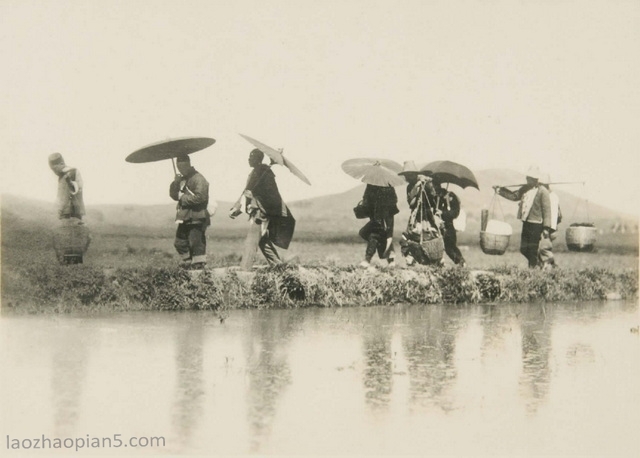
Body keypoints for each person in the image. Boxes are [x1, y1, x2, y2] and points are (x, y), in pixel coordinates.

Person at [229, 148, 295, 266]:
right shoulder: (257, 172)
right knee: (262, 240)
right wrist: (236, 209)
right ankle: (278, 264)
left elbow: (270, 195)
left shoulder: (265, 174)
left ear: (257, 159)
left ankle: (245, 269)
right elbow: (246, 193)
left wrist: (254, 197)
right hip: (257, 211)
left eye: (251, 157)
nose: (249, 159)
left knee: (252, 241)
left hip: (261, 213)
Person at [494, 165, 552, 268]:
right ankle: (539, 263)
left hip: (536, 224)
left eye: (529, 178)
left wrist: (546, 228)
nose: (527, 179)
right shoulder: (525, 189)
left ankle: (532, 270)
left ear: (535, 179)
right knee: (524, 249)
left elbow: (547, 210)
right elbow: (514, 196)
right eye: (527, 177)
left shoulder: (543, 191)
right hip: (526, 222)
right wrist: (500, 190)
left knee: (532, 249)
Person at [169, 154, 214, 269]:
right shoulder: (182, 179)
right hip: (185, 217)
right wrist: (175, 183)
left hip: (197, 216)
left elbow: (201, 197)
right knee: (180, 243)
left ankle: (199, 269)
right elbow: (174, 196)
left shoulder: (198, 178)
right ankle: (188, 264)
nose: (180, 169)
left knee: (196, 244)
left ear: (188, 164)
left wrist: (182, 197)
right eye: (179, 167)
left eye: (183, 166)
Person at [397, 161, 439, 266]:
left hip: (427, 216)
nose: (406, 177)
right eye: (406, 175)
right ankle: (411, 260)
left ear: (414, 174)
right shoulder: (410, 187)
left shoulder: (427, 183)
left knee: (429, 238)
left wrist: (427, 184)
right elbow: (411, 203)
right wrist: (416, 187)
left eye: (408, 175)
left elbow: (433, 198)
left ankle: (433, 261)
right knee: (407, 238)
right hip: (416, 215)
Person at [358, 183, 399, 268]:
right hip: (379, 215)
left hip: (384, 216)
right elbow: (394, 200)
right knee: (382, 235)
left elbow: (393, 201)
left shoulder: (374, 184)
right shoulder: (387, 185)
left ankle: (367, 259)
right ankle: (390, 260)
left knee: (375, 235)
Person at [433, 179, 466, 266]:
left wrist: (442, 213)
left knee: (450, 247)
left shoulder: (450, 197)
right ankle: (439, 264)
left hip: (449, 226)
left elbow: (455, 212)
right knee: (438, 246)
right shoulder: (436, 198)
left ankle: (461, 262)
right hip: (439, 226)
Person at [48, 153, 85, 220]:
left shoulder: (70, 173)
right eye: (52, 170)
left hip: (70, 213)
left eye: (55, 168)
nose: (54, 172)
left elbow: (63, 197)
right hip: (75, 212)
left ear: (62, 163)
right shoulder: (64, 175)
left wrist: (58, 211)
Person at [537, 173, 562, 268]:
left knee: (543, 250)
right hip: (553, 228)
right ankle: (547, 269)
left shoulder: (545, 196)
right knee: (542, 250)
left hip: (546, 228)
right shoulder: (555, 196)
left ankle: (552, 267)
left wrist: (545, 227)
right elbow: (559, 215)